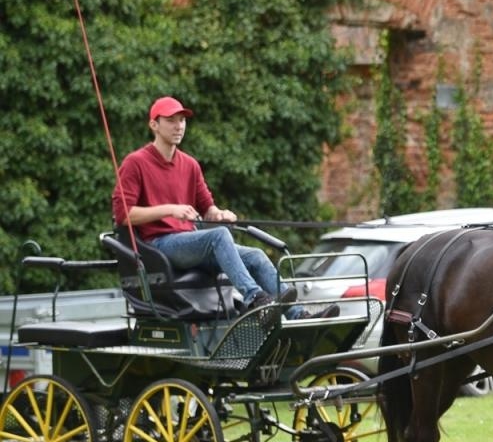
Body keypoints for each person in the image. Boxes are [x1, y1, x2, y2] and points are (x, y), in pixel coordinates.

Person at [111, 96, 333, 320]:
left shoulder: (190, 165)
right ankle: (255, 299)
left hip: (189, 243)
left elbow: (208, 209)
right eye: (171, 120)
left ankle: (299, 315)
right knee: (218, 236)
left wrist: (220, 214)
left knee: (256, 256)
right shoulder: (135, 162)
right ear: (154, 125)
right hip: (158, 245)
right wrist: (170, 209)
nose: (178, 126)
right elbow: (123, 215)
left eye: (182, 120)